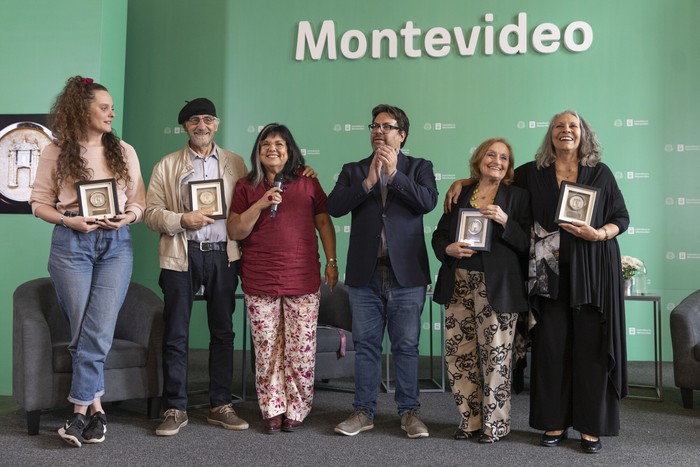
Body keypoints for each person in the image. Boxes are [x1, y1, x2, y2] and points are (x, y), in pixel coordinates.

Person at [445, 110, 629, 454]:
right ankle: (553, 423)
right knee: (551, 347)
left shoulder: (600, 173)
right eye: (559, 126)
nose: (566, 131)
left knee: (591, 348)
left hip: (593, 270)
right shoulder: (533, 172)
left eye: (572, 126)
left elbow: (621, 217)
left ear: (583, 133)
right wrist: (462, 183)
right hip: (548, 274)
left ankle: (591, 427)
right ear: (550, 134)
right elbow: (494, 179)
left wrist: (598, 232)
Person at [29, 75, 146, 447]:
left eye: (112, 107)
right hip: (71, 243)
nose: (112, 112)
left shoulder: (124, 150)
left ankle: (79, 414)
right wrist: (69, 219)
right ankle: (96, 410)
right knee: (83, 330)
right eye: (104, 107)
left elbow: (138, 203)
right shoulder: (55, 152)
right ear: (83, 109)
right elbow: (39, 204)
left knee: (97, 330)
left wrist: (126, 217)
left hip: (116, 244)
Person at [328, 104, 438, 438]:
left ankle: (409, 413)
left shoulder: (419, 167)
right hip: (366, 274)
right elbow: (334, 207)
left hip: (407, 275)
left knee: (406, 346)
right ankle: (364, 412)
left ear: (401, 135)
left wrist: (396, 176)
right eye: (374, 126)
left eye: (386, 126)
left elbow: (428, 201)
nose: (378, 131)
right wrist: (369, 182)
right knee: (367, 346)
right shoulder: (354, 170)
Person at [145, 98, 249, 436]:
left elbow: (247, 208)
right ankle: (175, 407)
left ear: (216, 124)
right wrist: (180, 219)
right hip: (181, 253)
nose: (201, 125)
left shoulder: (235, 163)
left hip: (223, 254)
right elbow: (150, 212)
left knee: (223, 331)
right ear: (185, 127)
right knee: (175, 333)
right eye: (193, 120)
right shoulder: (167, 165)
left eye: (207, 119)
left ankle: (221, 404)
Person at [227, 123, 338, 434]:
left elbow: (324, 225)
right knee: (266, 351)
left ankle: (297, 407)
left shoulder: (307, 183)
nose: (271, 149)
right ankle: (272, 406)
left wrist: (331, 262)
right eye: (265, 144)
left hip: (301, 278)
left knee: (300, 350)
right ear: (258, 151)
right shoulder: (245, 186)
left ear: (290, 151)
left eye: (279, 144)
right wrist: (261, 203)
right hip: (259, 278)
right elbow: (235, 231)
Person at [431, 138, 530, 444]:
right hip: (459, 282)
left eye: (503, 157)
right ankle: (469, 421)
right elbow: (438, 236)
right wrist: (448, 247)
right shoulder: (460, 193)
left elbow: (528, 245)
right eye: (491, 154)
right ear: (479, 158)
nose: (497, 161)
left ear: (509, 165)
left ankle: (494, 426)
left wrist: (505, 222)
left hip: (498, 288)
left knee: (497, 358)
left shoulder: (518, 197)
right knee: (459, 357)